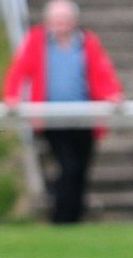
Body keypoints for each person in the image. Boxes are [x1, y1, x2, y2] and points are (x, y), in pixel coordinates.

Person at [3, 0, 123, 224]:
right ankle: (62, 218)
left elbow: (101, 71)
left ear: (74, 21)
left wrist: (112, 93)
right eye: (57, 19)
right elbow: (20, 69)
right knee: (69, 166)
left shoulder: (87, 42)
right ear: (48, 21)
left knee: (81, 168)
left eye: (65, 19)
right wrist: (12, 95)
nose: (61, 24)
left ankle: (75, 216)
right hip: (52, 118)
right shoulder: (37, 40)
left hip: (85, 118)